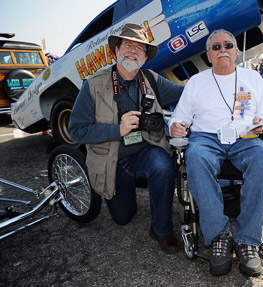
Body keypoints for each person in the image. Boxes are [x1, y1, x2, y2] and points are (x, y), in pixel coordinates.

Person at [169, 29, 263, 277]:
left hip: (246, 137)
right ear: (209, 55)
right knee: (195, 158)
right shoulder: (197, 82)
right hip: (206, 138)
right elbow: (179, 117)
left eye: (227, 45)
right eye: (215, 47)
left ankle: (248, 239)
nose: (222, 50)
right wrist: (174, 126)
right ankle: (219, 235)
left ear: (236, 51)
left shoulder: (252, 78)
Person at [68, 23, 184, 254]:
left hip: (145, 151)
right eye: (128, 45)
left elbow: (188, 94)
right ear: (117, 50)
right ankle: (126, 192)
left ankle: (161, 229)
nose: (133, 51)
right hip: (112, 160)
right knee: (123, 217)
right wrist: (116, 130)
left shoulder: (151, 79)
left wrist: (221, 80)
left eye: (140, 48)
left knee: (163, 164)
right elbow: (76, 131)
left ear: (145, 56)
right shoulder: (93, 84)